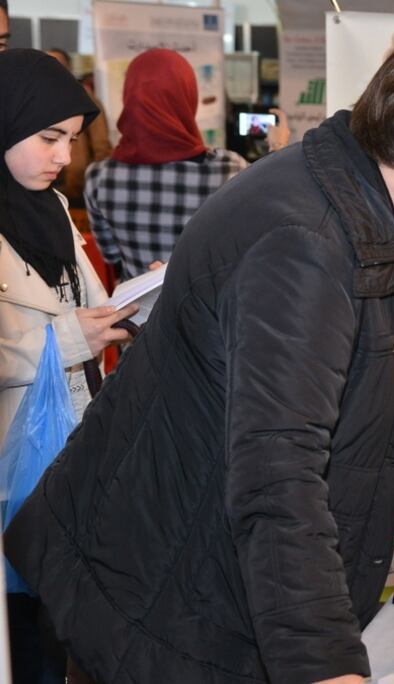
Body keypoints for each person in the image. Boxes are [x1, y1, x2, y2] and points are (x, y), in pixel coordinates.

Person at [6, 23, 394, 684]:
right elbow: (277, 473)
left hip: (194, 580)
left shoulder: (358, 208)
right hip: (159, 596)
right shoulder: (305, 243)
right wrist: (324, 664)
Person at [0, 48, 137, 684]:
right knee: (22, 624)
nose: (62, 156)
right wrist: (64, 340)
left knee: (62, 613)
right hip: (14, 452)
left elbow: (85, 299)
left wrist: (138, 301)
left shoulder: (53, 207)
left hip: (74, 437)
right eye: (48, 137)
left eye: (72, 141)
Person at [83, 48, 253, 279]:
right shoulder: (230, 170)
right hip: (208, 301)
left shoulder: (99, 177)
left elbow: (111, 255)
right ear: (188, 97)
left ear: (128, 96)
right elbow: (244, 249)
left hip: (137, 302)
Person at [44, 48, 112, 208]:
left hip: (76, 187)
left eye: (57, 65)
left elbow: (101, 146)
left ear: (69, 69)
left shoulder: (85, 100)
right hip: (45, 184)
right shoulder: (34, 99)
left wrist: (92, 182)